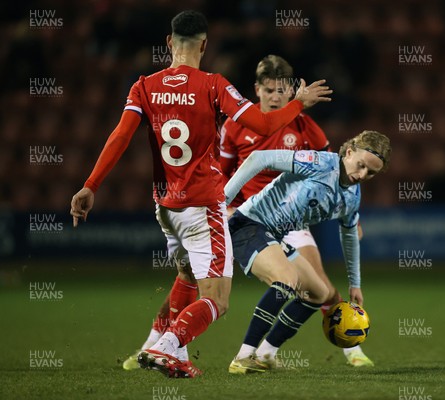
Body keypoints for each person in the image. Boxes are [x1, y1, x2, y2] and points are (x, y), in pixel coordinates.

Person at [70, 10, 331, 378]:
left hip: (165, 208)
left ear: (168, 43)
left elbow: (120, 136)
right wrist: (299, 102)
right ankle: (170, 347)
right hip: (202, 206)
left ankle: (152, 344)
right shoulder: (213, 85)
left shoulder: (143, 85)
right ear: (205, 46)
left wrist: (90, 185)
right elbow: (264, 123)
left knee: (187, 277)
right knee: (218, 299)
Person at [121, 54, 373, 370]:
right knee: (189, 278)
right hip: (245, 212)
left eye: (282, 90)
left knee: (321, 290)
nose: (276, 97)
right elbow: (222, 170)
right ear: (257, 89)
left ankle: (349, 350)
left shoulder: (306, 127)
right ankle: (154, 344)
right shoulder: (237, 126)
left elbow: (334, 175)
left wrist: (353, 218)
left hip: (291, 219)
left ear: (290, 90)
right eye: (269, 91)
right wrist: (221, 205)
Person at [225, 130, 390, 373]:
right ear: (349, 152)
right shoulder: (320, 163)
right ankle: (243, 356)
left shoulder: (353, 196)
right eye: (361, 165)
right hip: (249, 225)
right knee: (286, 281)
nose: (362, 175)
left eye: (372, 172)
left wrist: (355, 284)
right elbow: (259, 158)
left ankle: (266, 353)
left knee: (318, 293)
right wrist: (220, 203)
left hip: (276, 236)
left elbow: (349, 235)